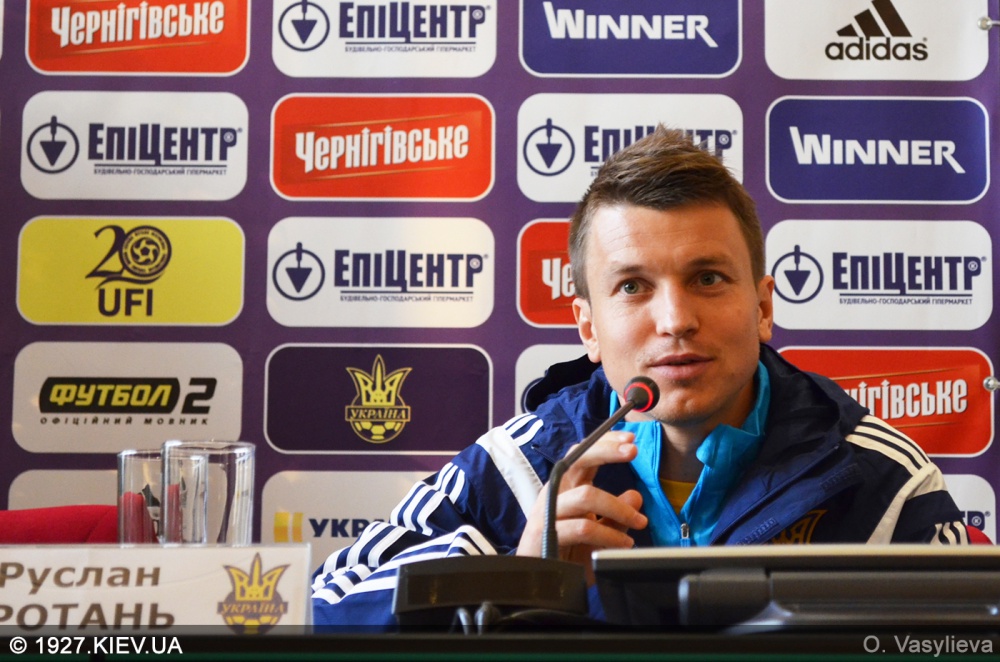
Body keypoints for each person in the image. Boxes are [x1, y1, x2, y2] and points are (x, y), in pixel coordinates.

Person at [311, 126, 968, 629]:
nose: (676, 320)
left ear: (763, 307)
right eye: (632, 287)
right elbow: (327, 603)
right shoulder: (520, 466)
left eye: (707, 278)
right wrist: (512, 573)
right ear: (588, 328)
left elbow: (966, 639)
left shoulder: (882, 480)